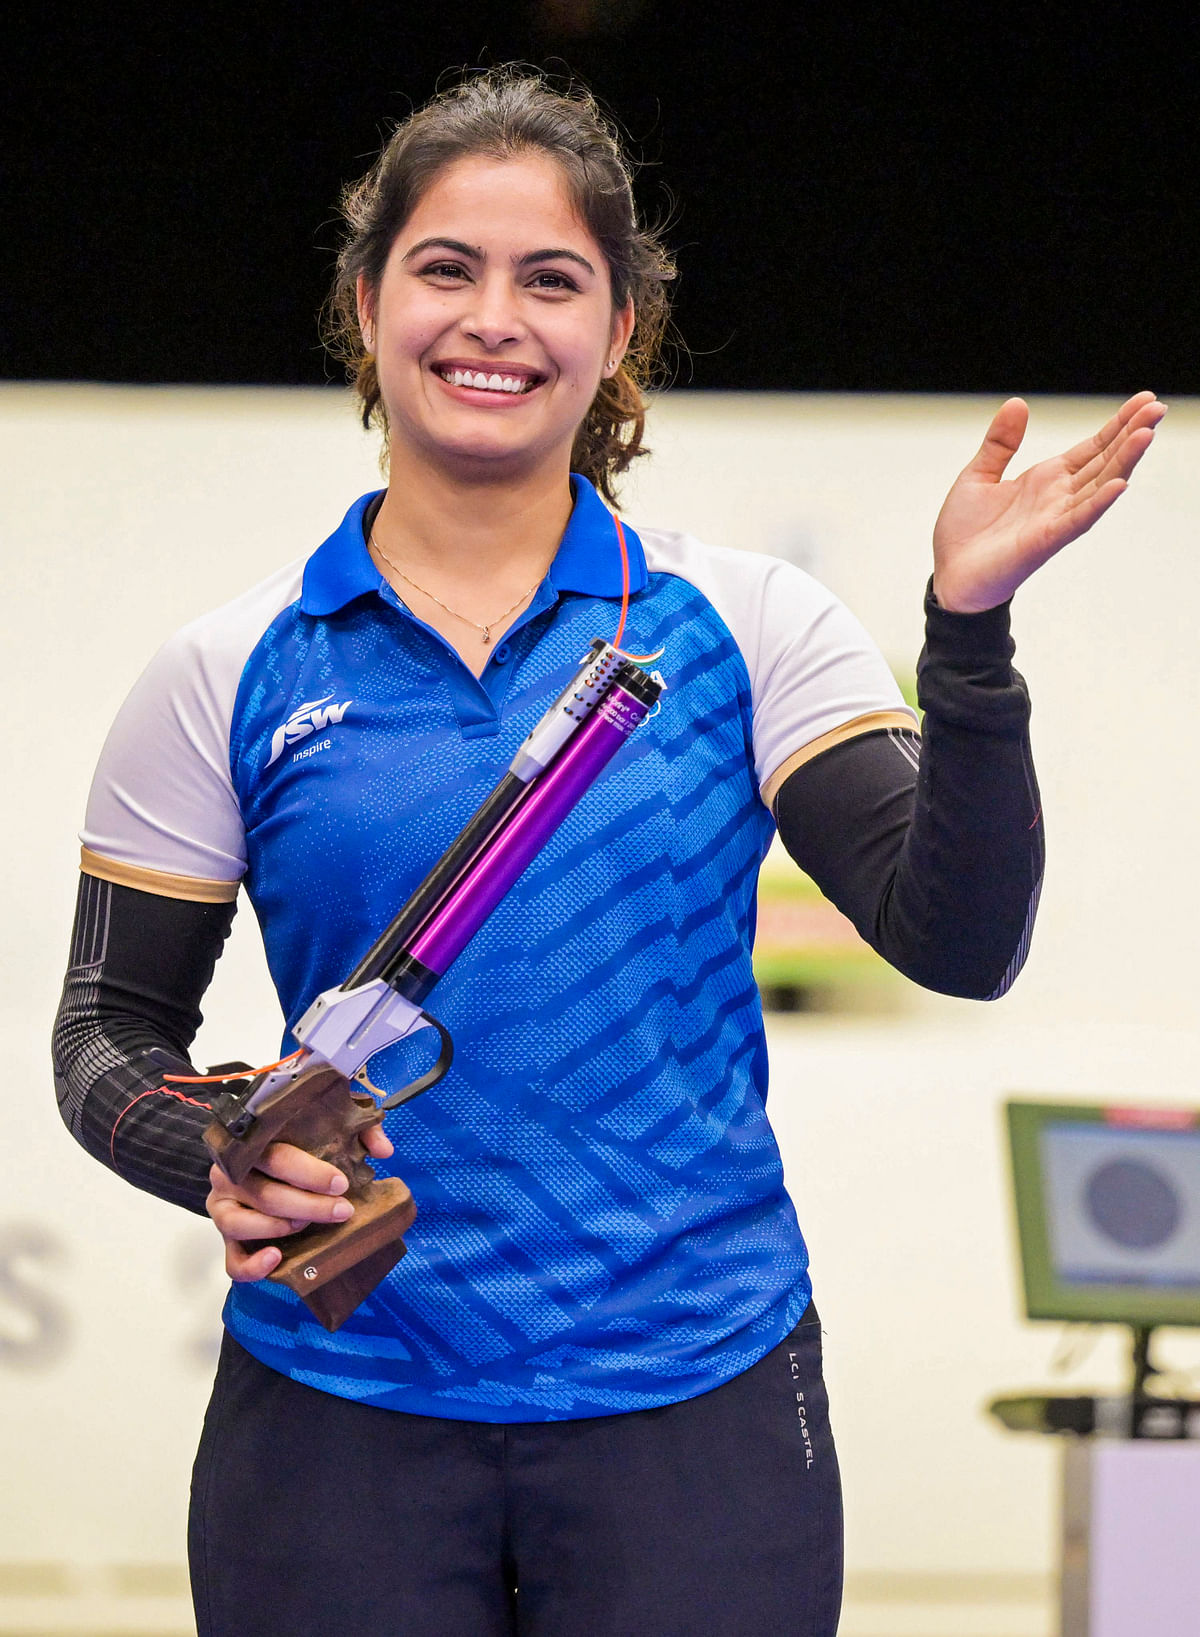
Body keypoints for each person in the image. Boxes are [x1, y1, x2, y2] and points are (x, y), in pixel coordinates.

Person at [52, 66, 1164, 1637]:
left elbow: (959, 940)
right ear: (366, 301)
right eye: (446, 268)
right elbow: (104, 1032)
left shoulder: (752, 625)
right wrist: (220, 1153)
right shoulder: (228, 669)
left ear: (620, 329)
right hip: (337, 1409)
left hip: (695, 1400)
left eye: (551, 279)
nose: (493, 318)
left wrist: (967, 640)